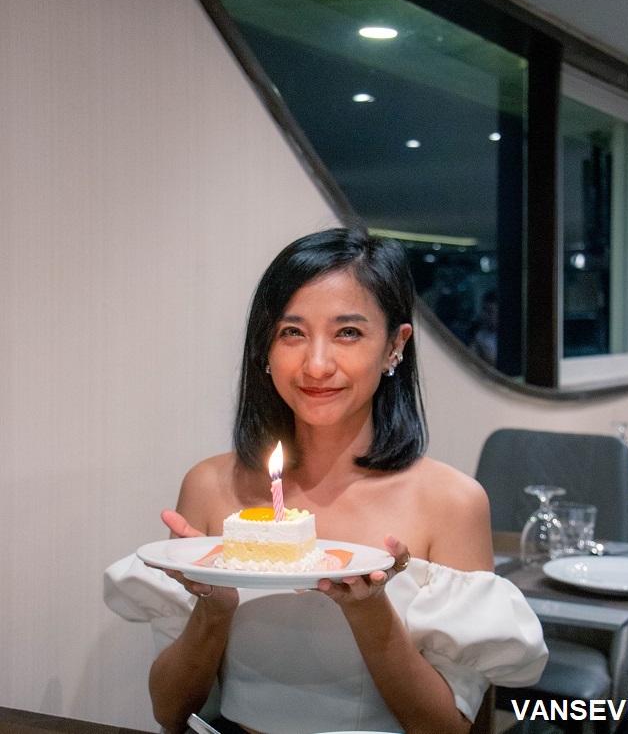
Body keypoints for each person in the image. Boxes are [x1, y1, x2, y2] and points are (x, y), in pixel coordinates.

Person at [105, 228, 546, 734]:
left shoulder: (451, 502)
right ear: (264, 348)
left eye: (348, 333)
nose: (316, 365)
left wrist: (371, 613)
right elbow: (169, 711)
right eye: (292, 332)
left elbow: (446, 728)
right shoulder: (209, 486)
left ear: (394, 346)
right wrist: (214, 608)